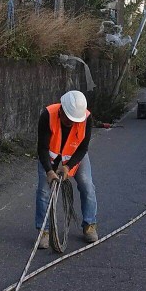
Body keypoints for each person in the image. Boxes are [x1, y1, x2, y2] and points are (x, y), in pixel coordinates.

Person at [35, 90, 98, 248]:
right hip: (50, 157)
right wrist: (50, 171)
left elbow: (83, 148)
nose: (72, 122)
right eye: (69, 119)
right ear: (62, 109)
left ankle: (89, 225)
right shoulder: (48, 115)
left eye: (74, 119)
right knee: (44, 191)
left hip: (74, 156)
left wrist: (68, 166)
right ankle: (44, 231)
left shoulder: (86, 118)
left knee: (87, 186)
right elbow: (42, 147)